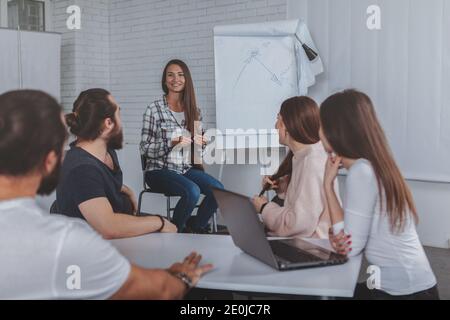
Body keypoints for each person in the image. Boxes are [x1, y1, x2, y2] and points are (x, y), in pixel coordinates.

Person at [0, 90, 212, 299]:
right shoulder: (66, 241)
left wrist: (121, 190)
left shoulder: (104, 158)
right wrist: (182, 276)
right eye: (119, 112)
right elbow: (160, 290)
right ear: (50, 161)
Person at [320, 89, 439, 300]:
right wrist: (342, 236)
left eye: (321, 124)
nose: (319, 131)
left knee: (324, 293)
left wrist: (327, 187)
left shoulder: (361, 172)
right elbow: (349, 237)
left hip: (405, 293)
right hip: (408, 287)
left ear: (334, 130)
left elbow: (349, 249)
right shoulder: (370, 166)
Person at [56, 88, 177, 239]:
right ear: (108, 123)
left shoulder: (107, 153)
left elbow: (99, 182)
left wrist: (125, 189)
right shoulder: (82, 168)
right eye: (118, 113)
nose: (121, 121)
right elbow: (109, 226)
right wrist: (160, 222)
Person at [140, 59, 224, 233]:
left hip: (185, 169)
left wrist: (203, 142)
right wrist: (171, 143)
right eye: (170, 75)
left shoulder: (194, 110)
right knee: (192, 191)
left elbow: (196, 152)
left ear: (186, 79)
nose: (175, 79)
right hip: (158, 171)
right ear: (164, 80)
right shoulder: (154, 109)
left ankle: (196, 227)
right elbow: (144, 147)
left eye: (180, 75)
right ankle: (175, 230)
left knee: (219, 190)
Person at [251, 97, 338, 238]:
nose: (275, 126)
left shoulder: (313, 161)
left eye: (278, 119)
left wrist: (264, 208)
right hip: (307, 243)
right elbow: (304, 203)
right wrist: (282, 187)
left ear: (288, 125)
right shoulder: (302, 156)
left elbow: (298, 224)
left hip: (314, 247)